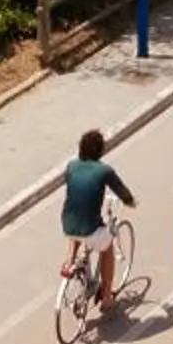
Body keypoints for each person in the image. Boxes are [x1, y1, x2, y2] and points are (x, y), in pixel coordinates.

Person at [61, 128, 135, 310]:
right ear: (100, 150)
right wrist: (131, 202)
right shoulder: (104, 171)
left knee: (77, 223)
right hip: (90, 228)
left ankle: (69, 260)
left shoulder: (71, 166)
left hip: (67, 223)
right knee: (106, 247)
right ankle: (108, 296)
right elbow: (123, 193)